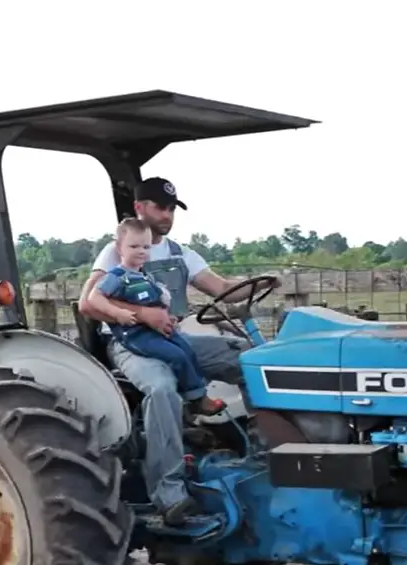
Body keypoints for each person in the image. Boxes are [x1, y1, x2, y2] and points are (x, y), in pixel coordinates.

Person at [77, 176, 279, 525]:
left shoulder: (179, 253)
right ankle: (168, 493)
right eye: (160, 207)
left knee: (250, 359)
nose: (167, 214)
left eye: (172, 208)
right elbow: (88, 303)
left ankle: (267, 455)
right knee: (161, 388)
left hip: (173, 339)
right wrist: (144, 315)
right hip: (129, 343)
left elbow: (221, 288)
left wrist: (260, 281)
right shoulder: (117, 251)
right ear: (140, 208)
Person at [88, 217, 227, 416]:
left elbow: (157, 302)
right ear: (119, 248)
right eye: (134, 246)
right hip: (134, 335)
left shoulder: (144, 277)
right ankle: (196, 400)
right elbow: (94, 297)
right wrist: (118, 313)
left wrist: (166, 313)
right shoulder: (117, 277)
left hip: (154, 330)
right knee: (175, 356)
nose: (141, 251)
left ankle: (197, 396)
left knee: (186, 349)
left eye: (145, 246)